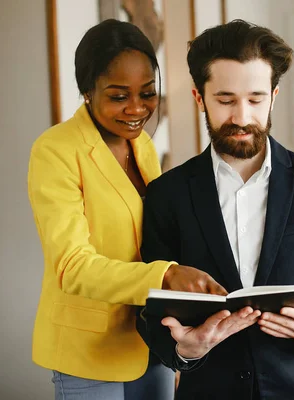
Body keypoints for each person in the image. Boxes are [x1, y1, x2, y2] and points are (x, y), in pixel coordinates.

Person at [137, 19, 294, 399]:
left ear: (274, 96)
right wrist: (181, 350)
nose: (242, 117)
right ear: (200, 99)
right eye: (226, 100)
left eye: (256, 99)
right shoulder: (167, 194)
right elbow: (147, 307)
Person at [28, 19, 226, 400]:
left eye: (147, 93)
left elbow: (153, 236)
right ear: (87, 90)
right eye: (119, 96)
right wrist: (166, 276)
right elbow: (72, 267)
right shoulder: (55, 151)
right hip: (89, 349)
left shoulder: (142, 146)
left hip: (149, 339)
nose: (137, 109)